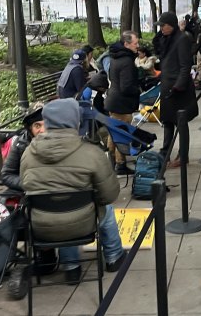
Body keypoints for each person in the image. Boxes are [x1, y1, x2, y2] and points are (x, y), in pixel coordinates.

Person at [20, 99, 126, 283]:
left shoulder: (28, 154)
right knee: (105, 210)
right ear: (75, 121)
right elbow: (110, 195)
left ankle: (72, 268)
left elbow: (25, 186)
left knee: (60, 208)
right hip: (83, 224)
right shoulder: (92, 153)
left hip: (41, 227)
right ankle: (114, 257)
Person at [155, 11, 199, 166]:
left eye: (163, 26)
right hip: (167, 86)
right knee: (167, 121)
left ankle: (183, 155)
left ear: (172, 25)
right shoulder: (166, 39)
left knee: (181, 123)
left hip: (178, 89)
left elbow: (185, 66)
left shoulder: (182, 39)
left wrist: (178, 86)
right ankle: (165, 151)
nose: (161, 29)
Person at [104, 30, 140, 176]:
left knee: (114, 132)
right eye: (135, 43)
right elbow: (126, 87)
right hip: (121, 103)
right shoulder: (126, 62)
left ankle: (109, 162)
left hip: (114, 99)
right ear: (126, 44)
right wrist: (137, 89)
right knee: (121, 134)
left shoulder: (115, 57)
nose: (137, 46)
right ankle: (120, 164)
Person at [0, 103, 45, 192]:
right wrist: (29, 184)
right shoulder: (20, 144)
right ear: (30, 128)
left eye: (47, 124)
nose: (43, 130)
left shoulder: (62, 142)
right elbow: (6, 174)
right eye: (37, 126)